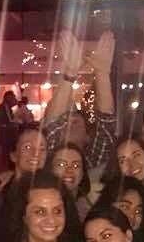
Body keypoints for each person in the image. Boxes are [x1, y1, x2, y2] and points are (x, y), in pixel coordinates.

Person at [42, 30, 117, 174]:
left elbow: (106, 126)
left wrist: (102, 73)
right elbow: (51, 126)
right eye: (65, 123)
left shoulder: (92, 161)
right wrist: (70, 72)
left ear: (88, 137)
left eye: (76, 123)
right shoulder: (47, 159)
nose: (69, 122)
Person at [48, 142, 92, 220]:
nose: (69, 170)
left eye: (76, 165)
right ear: (50, 169)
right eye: (61, 164)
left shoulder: (89, 213)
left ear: (83, 173)